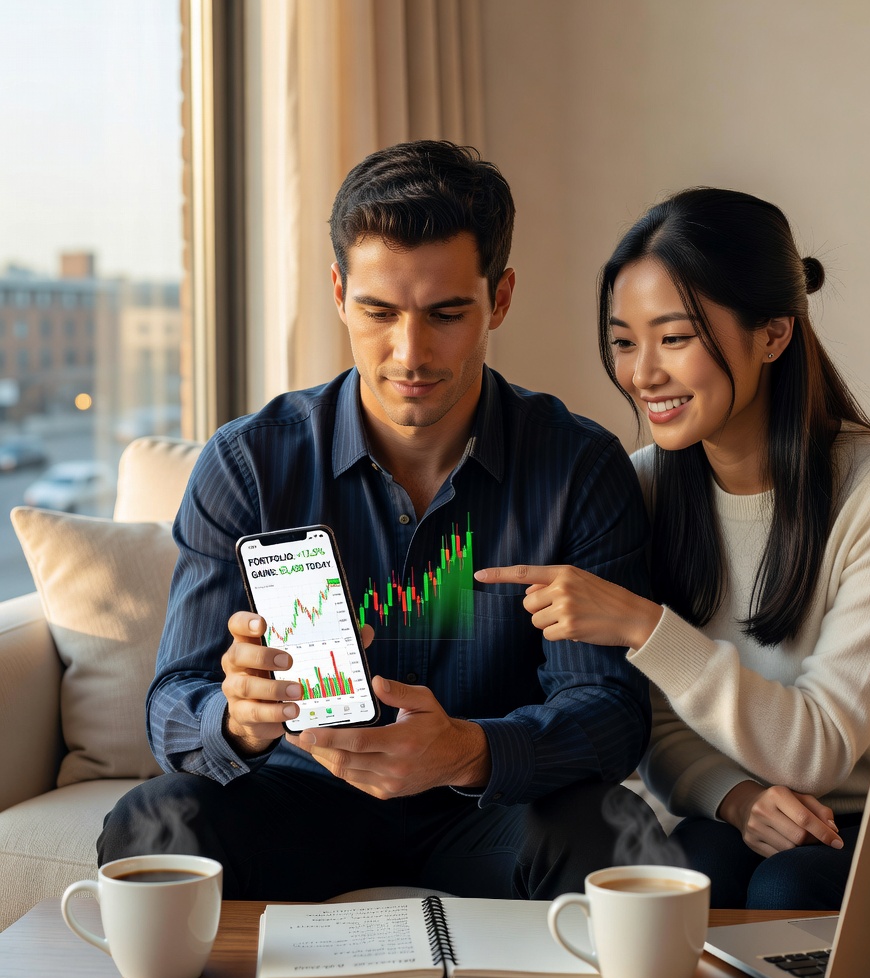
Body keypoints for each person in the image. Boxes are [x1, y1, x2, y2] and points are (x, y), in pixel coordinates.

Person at [98, 140, 663, 902]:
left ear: (499, 299)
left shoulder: (579, 467)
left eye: (446, 314)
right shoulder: (248, 463)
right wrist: (234, 720)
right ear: (338, 292)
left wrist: (468, 751)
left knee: (612, 834)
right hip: (298, 802)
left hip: (486, 809)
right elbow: (173, 700)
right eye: (378, 311)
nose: (410, 353)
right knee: (153, 825)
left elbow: (610, 713)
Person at [476, 186, 870, 910]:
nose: (643, 374)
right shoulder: (642, 484)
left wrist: (643, 625)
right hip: (751, 806)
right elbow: (648, 718)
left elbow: (815, 749)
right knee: (679, 878)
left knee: (788, 887)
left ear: (773, 335)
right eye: (624, 342)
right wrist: (734, 796)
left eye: (674, 338)